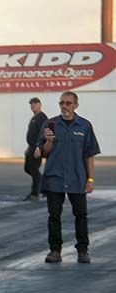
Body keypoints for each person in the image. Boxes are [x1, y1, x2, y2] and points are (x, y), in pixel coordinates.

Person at [35, 91, 100, 264]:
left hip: (77, 179)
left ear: (76, 105)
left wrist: (90, 179)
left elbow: (89, 155)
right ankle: (55, 251)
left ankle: (83, 251)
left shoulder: (84, 126)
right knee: (54, 216)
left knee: (81, 215)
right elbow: (43, 153)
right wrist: (48, 141)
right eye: (62, 103)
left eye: (68, 103)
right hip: (54, 179)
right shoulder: (50, 124)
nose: (65, 106)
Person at [23, 97, 47, 201]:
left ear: (39, 105)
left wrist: (39, 148)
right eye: (31, 104)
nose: (33, 106)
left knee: (34, 169)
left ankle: (35, 193)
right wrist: (29, 147)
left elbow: (43, 134)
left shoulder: (42, 118)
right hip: (31, 147)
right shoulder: (34, 117)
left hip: (37, 148)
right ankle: (45, 186)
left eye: (35, 103)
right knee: (28, 169)